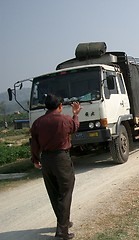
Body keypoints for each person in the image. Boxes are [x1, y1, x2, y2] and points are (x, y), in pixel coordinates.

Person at [30, 94, 81, 240]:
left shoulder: (38, 123)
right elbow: (75, 127)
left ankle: (63, 222)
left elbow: (34, 143)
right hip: (61, 158)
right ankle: (62, 232)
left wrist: (35, 159)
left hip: (46, 159)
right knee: (65, 192)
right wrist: (75, 114)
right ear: (59, 106)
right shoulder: (64, 119)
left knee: (54, 193)